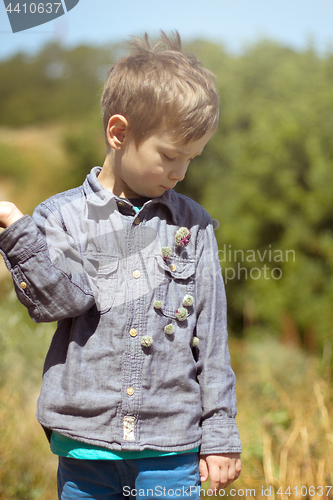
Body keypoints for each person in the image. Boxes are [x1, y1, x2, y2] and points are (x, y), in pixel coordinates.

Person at [0, 32, 241, 500]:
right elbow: (60, 301)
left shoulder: (195, 227)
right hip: (85, 451)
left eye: (191, 159)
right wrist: (16, 232)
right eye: (170, 156)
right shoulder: (59, 218)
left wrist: (221, 435)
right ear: (118, 132)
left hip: (172, 451)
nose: (181, 173)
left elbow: (211, 339)